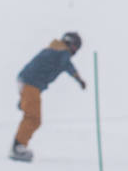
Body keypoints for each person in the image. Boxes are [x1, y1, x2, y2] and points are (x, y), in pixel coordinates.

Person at [10, 31, 86, 162]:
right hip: (31, 84)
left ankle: (19, 144)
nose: (75, 51)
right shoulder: (63, 52)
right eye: (76, 47)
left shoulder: (54, 49)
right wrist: (79, 79)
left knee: (32, 116)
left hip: (26, 82)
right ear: (70, 43)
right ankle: (18, 147)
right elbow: (68, 65)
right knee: (33, 118)